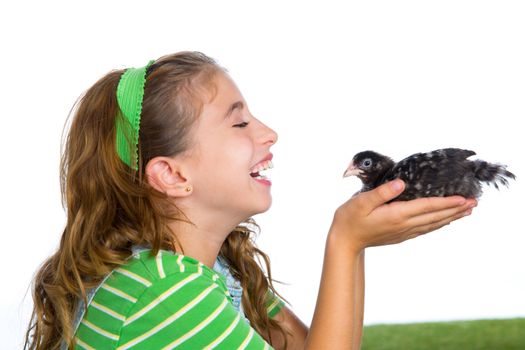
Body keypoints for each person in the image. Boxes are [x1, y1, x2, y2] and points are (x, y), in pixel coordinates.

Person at [24, 51, 477, 350]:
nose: (268, 133)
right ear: (173, 175)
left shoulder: (216, 267)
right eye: (239, 124)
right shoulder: (162, 290)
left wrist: (355, 242)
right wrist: (345, 242)